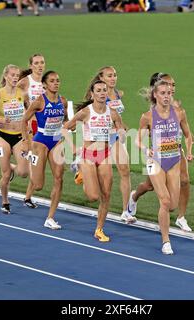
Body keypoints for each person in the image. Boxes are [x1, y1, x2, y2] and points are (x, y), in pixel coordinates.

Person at [128, 73, 194, 232]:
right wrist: (147, 147)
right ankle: (134, 196)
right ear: (156, 92)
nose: (171, 88)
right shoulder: (151, 113)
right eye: (167, 86)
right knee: (149, 186)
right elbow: (142, 136)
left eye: (173, 86)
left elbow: (186, 131)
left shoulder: (177, 109)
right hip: (156, 157)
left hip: (175, 152)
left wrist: (189, 144)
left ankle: (181, 217)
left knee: (184, 180)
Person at [62, 80, 125, 242]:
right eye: (99, 90)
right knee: (93, 196)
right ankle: (81, 172)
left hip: (104, 155)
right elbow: (65, 128)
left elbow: (121, 128)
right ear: (92, 94)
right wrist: (73, 146)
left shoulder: (112, 113)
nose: (103, 93)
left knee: (106, 194)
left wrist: (121, 133)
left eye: (104, 90)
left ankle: (99, 229)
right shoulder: (85, 112)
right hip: (88, 156)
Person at [74, 66, 135, 224]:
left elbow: (115, 116)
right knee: (105, 179)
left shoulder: (116, 93)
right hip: (100, 139)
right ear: (101, 78)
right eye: (109, 76)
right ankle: (83, 170)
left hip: (115, 135)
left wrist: (122, 126)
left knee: (125, 170)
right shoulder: (97, 95)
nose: (113, 78)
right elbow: (85, 120)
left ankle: (125, 211)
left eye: (115, 75)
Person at [21, 71, 68, 229]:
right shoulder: (39, 101)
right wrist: (26, 141)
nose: (56, 83)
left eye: (58, 80)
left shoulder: (63, 101)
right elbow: (24, 120)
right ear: (45, 85)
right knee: (38, 185)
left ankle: (50, 217)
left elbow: (66, 121)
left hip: (55, 142)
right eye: (52, 81)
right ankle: (30, 160)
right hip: (40, 142)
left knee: (59, 178)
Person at [0, 64, 32, 214]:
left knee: (24, 173)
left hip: (18, 137)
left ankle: (12, 167)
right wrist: (2, 120)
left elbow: (30, 111)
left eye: (17, 75)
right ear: (5, 76)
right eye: (12, 75)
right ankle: (5, 202)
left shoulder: (23, 93)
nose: (15, 78)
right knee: (4, 174)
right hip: (3, 137)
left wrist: (28, 125)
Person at [18, 53, 46, 209]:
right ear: (31, 66)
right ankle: (11, 168)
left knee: (37, 163)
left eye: (42, 62)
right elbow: (12, 96)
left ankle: (28, 197)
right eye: (36, 63)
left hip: (42, 128)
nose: (40, 65)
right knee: (24, 170)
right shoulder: (25, 82)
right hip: (29, 127)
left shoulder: (47, 81)